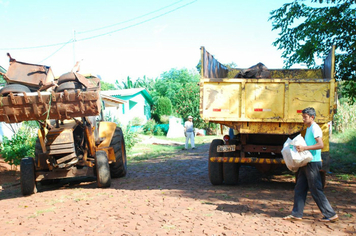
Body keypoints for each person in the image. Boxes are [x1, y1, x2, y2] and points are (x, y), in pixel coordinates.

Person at [283, 107, 338, 222]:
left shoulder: (315, 128)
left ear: (312, 117)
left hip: (313, 163)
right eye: (303, 117)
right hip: (306, 162)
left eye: (305, 117)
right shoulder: (308, 128)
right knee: (299, 188)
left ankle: (330, 214)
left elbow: (320, 145)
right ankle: (296, 214)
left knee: (315, 189)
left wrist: (304, 148)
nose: (303, 119)